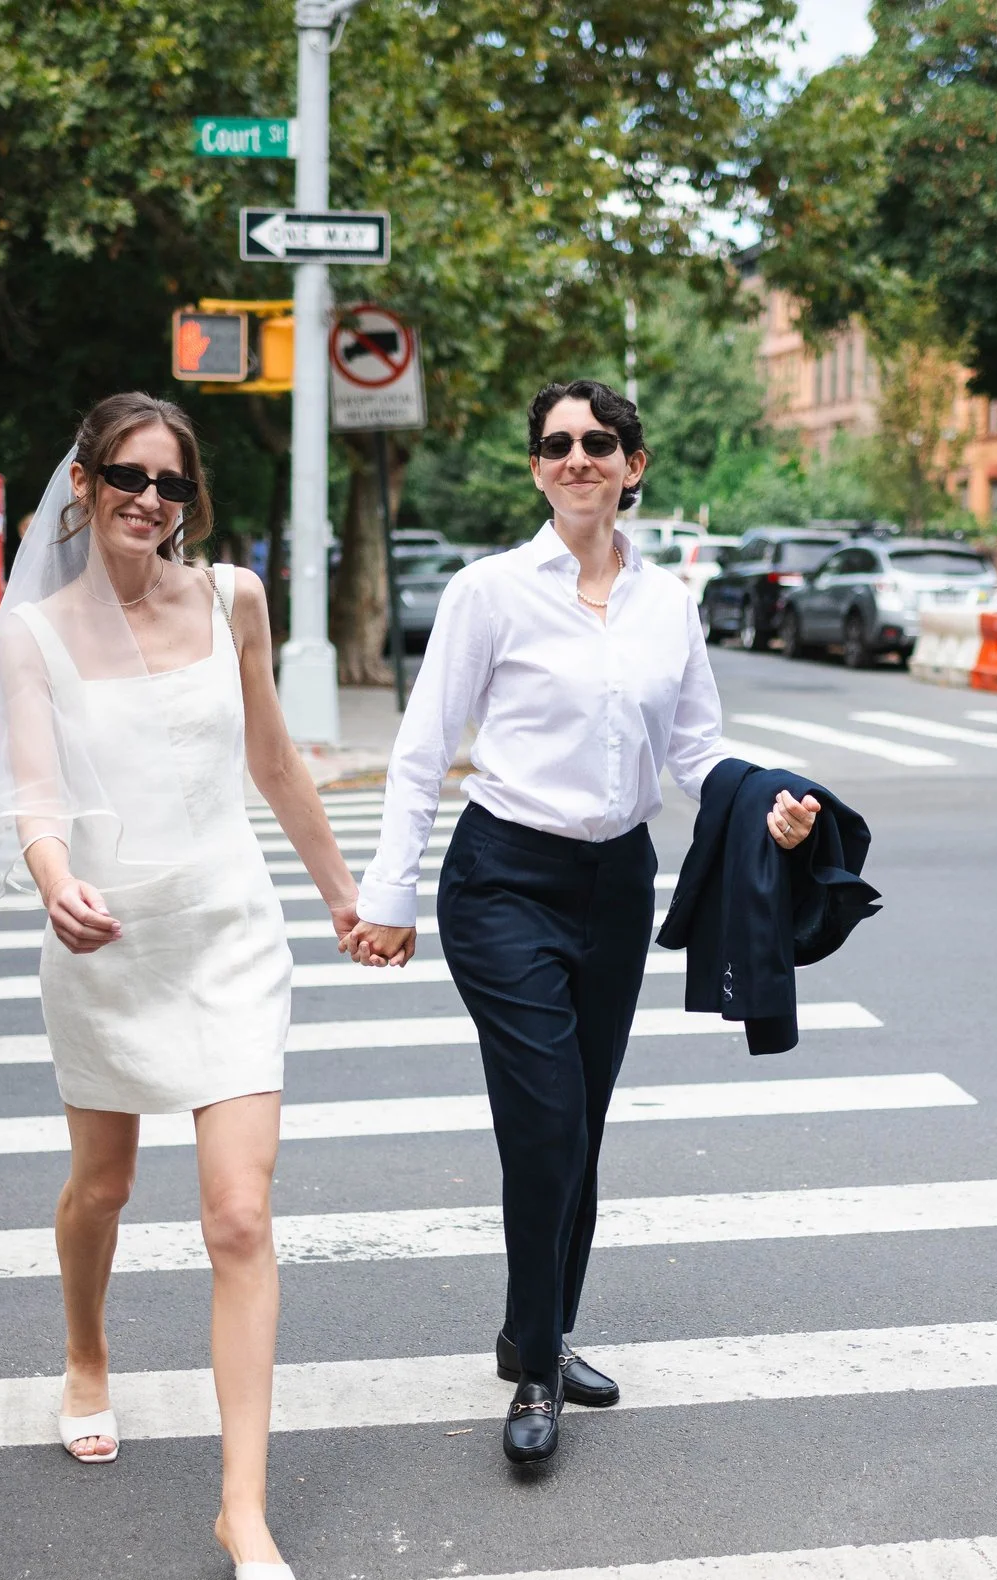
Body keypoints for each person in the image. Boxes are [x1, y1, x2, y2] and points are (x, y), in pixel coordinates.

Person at [344, 379, 823, 1466]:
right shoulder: (490, 591)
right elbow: (423, 749)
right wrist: (389, 893)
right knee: (548, 1121)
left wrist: (775, 799)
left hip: (617, 885)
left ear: (632, 462)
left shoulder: (667, 603)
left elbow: (698, 751)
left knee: (584, 1126)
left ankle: (540, 1329)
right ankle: (534, 1368)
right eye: (556, 445)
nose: (576, 458)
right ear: (536, 468)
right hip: (503, 880)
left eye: (596, 442)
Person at [0, 392, 361, 1580]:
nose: (149, 500)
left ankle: (243, 1502)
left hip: (228, 927)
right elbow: (34, 791)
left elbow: (273, 758)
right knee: (105, 1187)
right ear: (82, 482)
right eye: (127, 475)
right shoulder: (34, 632)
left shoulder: (235, 598)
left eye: (171, 483)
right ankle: (85, 1348)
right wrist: (55, 878)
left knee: (238, 1214)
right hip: (108, 936)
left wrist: (343, 898)